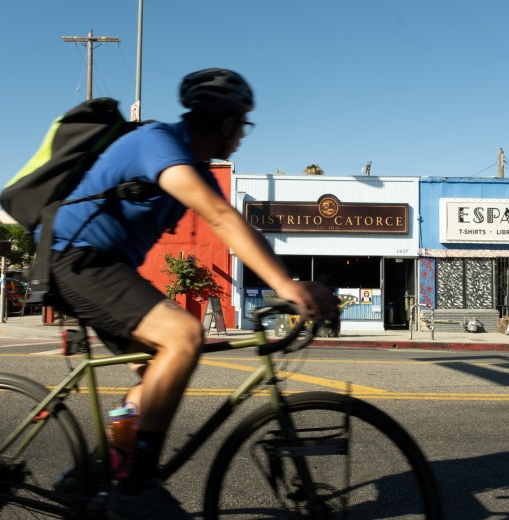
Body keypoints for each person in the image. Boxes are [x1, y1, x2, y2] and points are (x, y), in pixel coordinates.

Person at [48, 68, 337, 519]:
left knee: (154, 382)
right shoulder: (160, 144)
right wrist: (285, 284)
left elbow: (228, 225)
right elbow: (221, 217)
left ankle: (87, 476)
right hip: (76, 258)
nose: (243, 135)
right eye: (243, 124)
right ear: (226, 123)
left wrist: (281, 281)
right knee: (184, 335)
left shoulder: (191, 162)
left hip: (106, 266)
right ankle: (136, 489)